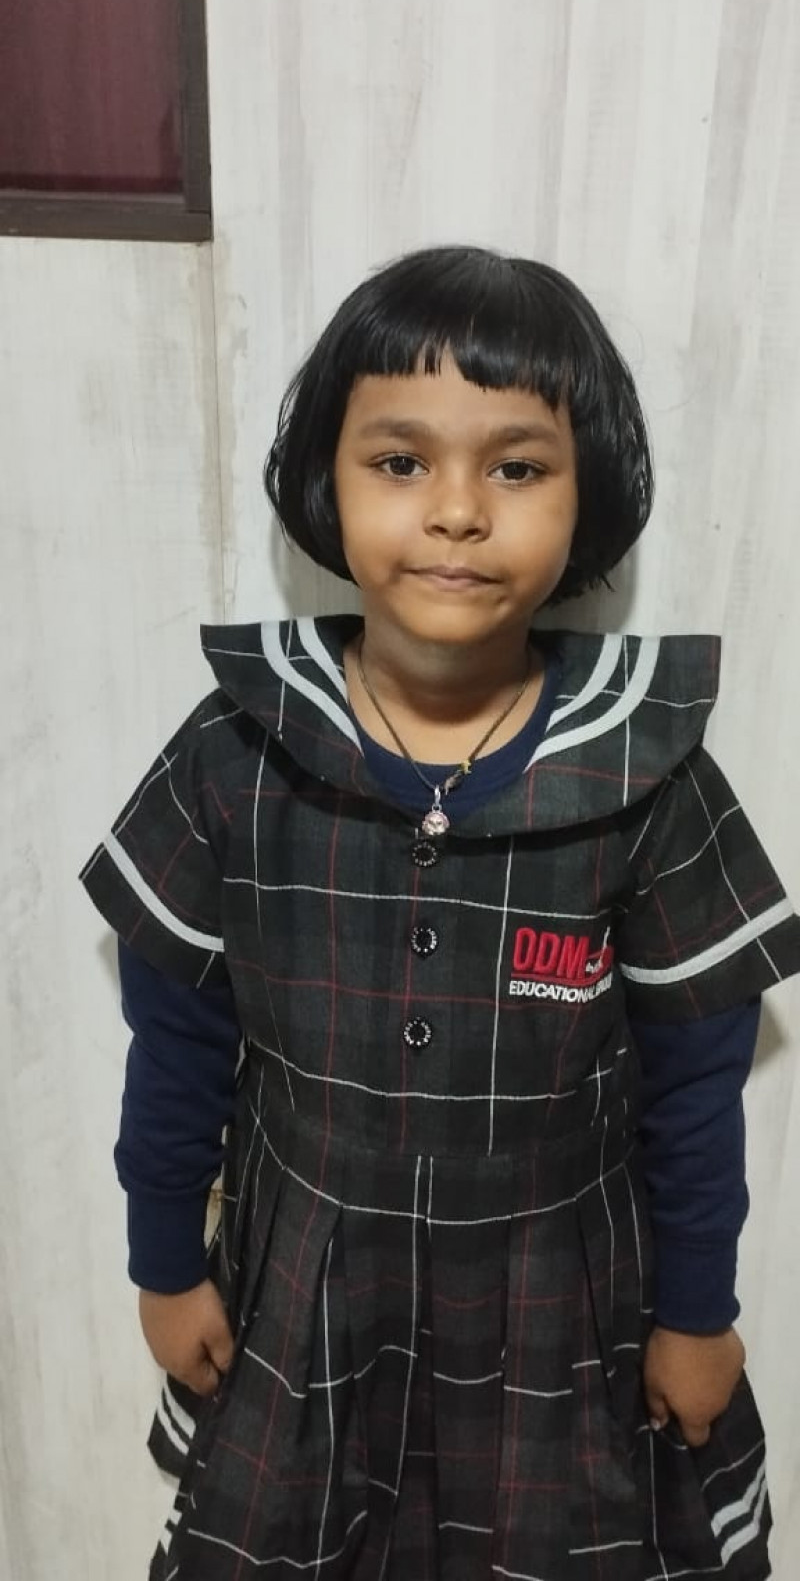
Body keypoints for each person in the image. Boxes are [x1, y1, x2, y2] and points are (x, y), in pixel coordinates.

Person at [81, 246, 800, 1581]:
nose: (458, 512)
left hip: (561, 1313)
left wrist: (699, 1312)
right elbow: (173, 1039)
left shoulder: (646, 774)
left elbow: (698, 1082)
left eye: (517, 468)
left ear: (587, 495)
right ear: (328, 479)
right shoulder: (237, 749)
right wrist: (164, 1259)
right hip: (306, 1302)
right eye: (401, 461)